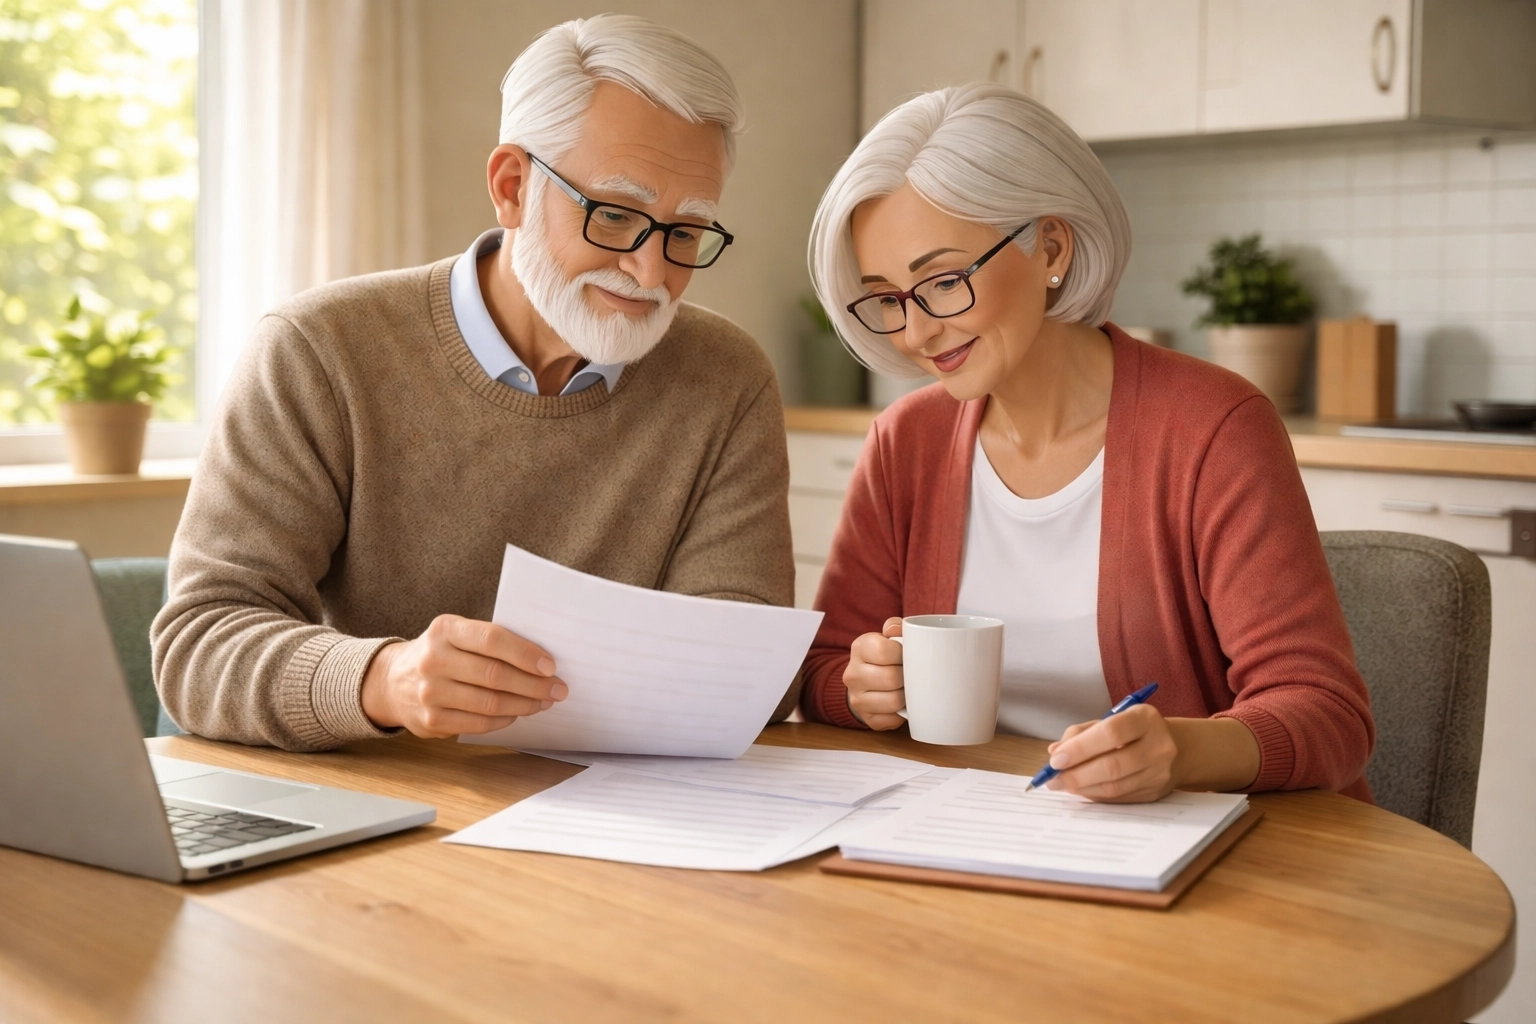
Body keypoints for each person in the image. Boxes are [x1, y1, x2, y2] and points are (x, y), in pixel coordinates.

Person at [153, 15, 796, 751]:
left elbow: (748, 671)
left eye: (684, 233)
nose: (650, 273)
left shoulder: (726, 378)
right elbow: (198, 648)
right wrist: (384, 680)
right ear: (513, 186)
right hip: (373, 809)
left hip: (614, 817)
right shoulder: (318, 351)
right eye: (615, 217)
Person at [799, 83, 1374, 803]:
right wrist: (863, 688)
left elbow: (1328, 713)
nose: (916, 333)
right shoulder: (904, 443)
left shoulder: (1214, 428)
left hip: (1206, 862)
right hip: (970, 835)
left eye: (943, 282)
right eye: (888, 298)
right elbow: (823, 671)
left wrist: (1183, 750)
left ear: (1051, 245)